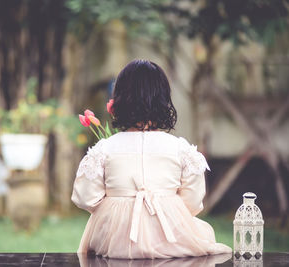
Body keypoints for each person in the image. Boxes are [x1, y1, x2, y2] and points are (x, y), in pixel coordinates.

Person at [71, 59, 232, 259]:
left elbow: (86, 198)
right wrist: (164, 206)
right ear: (164, 100)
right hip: (170, 240)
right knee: (204, 232)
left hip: (114, 243)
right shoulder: (180, 149)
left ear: (119, 100)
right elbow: (193, 202)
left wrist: (118, 202)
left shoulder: (105, 148)